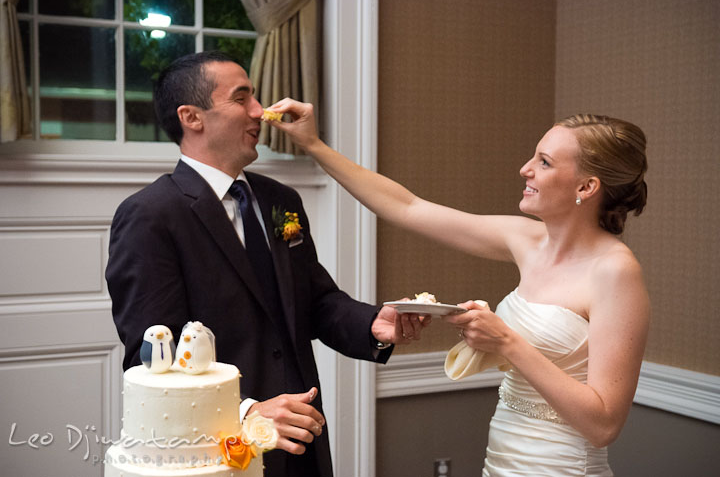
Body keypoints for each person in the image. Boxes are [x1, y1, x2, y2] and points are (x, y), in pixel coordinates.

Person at [268, 98, 650, 476]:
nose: (525, 169)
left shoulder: (615, 272)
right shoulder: (527, 240)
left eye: (544, 162)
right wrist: (313, 145)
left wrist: (506, 342)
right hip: (502, 458)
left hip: (562, 467)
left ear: (587, 185)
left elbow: (603, 426)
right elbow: (407, 207)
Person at [105, 51, 429, 477]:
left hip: (301, 438)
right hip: (220, 451)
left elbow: (315, 301)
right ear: (192, 117)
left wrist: (374, 323)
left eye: (255, 97)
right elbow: (153, 359)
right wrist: (249, 412)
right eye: (241, 99)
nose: (260, 112)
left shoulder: (280, 201)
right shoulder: (150, 216)